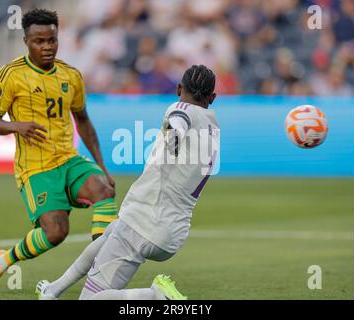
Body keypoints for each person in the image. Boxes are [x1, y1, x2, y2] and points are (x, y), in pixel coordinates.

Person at [36, 64, 219, 300]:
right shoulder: (213, 126)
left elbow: (178, 119)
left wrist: (172, 142)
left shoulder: (180, 107)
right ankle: (53, 289)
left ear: (178, 88)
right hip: (171, 234)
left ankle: (155, 297)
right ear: (213, 97)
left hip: (143, 221)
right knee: (108, 234)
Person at [0, 9, 118, 296]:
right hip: (35, 168)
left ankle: (103, 265)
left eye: (52, 40)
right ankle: (2, 260)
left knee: (104, 189)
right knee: (56, 232)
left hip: (68, 158)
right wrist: (18, 126)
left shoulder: (70, 75)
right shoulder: (10, 75)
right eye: (39, 41)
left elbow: (83, 120)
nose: (47, 47)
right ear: (26, 40)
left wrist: (102, 167)